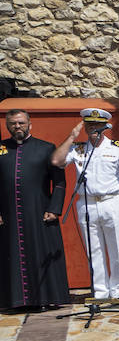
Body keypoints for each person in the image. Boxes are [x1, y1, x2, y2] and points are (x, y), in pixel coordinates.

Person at [51, 109, 119, 302]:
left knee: (117, 248)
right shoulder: (78, 149)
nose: (93, 128)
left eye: (97, 125)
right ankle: (100, 291)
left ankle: (117, 291)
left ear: (105, 126)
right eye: (89, 125)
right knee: (93, 249)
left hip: (111, 201)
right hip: (86, 204)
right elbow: (56, 160)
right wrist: (71, 137)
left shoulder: (117, 149)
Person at [1, 109, 68, 309]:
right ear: (7, 125)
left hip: (39, 212)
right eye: (13, 123)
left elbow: (59, 183)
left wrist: (54, 209)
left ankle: (44, 300)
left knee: (40, 253)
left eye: (21, 122)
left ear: (30, 124)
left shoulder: (46, 148)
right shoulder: (1, 148)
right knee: (10, 254)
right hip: (8, 214)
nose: (17, 126)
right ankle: (14, 301)